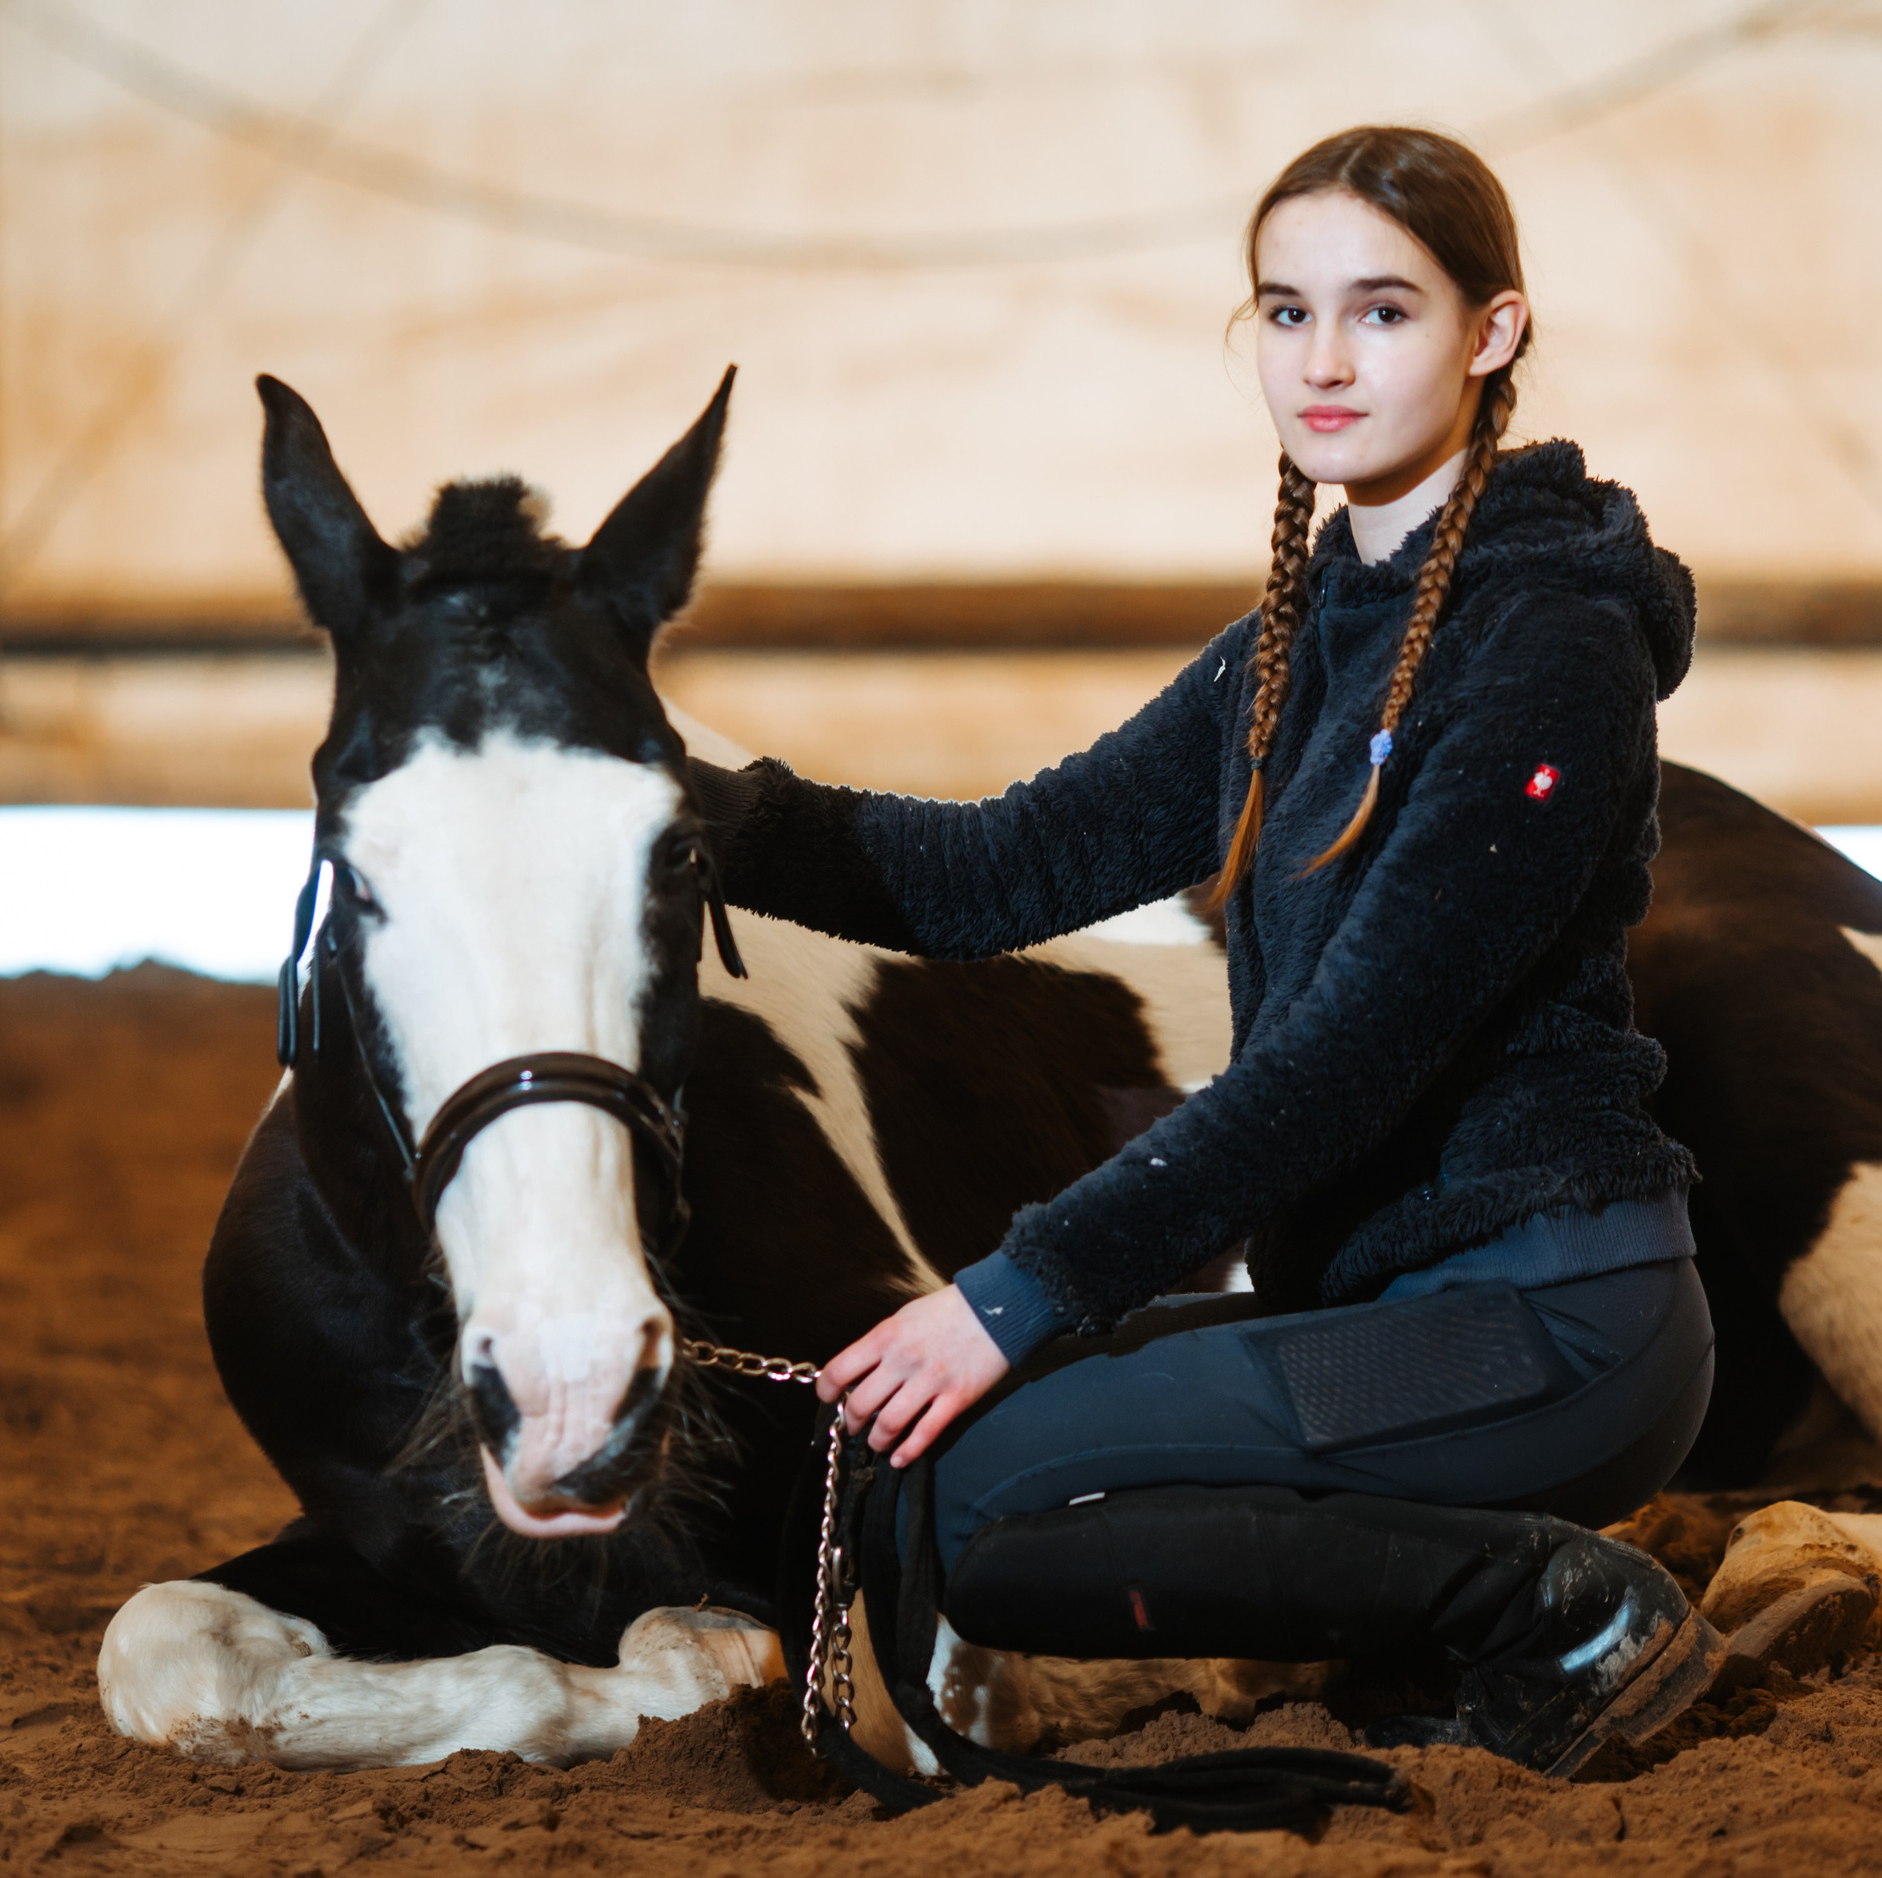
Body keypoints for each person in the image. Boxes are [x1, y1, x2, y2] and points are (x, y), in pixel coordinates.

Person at [692, 125, 1724, 1777]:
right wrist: (707, 811)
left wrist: (1010, 1294)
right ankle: (1446, 1610)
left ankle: (1558, 1604)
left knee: (987, 1510)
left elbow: (1348, 1057)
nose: (1324, 362)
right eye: (1286, 312)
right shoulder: (1288, 649)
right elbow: (999, 868)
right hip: (1384, 1315)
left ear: (1494, 332)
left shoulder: (1555, 641)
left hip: (1552, 1318)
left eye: (1383, 311)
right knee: (924, 1477)